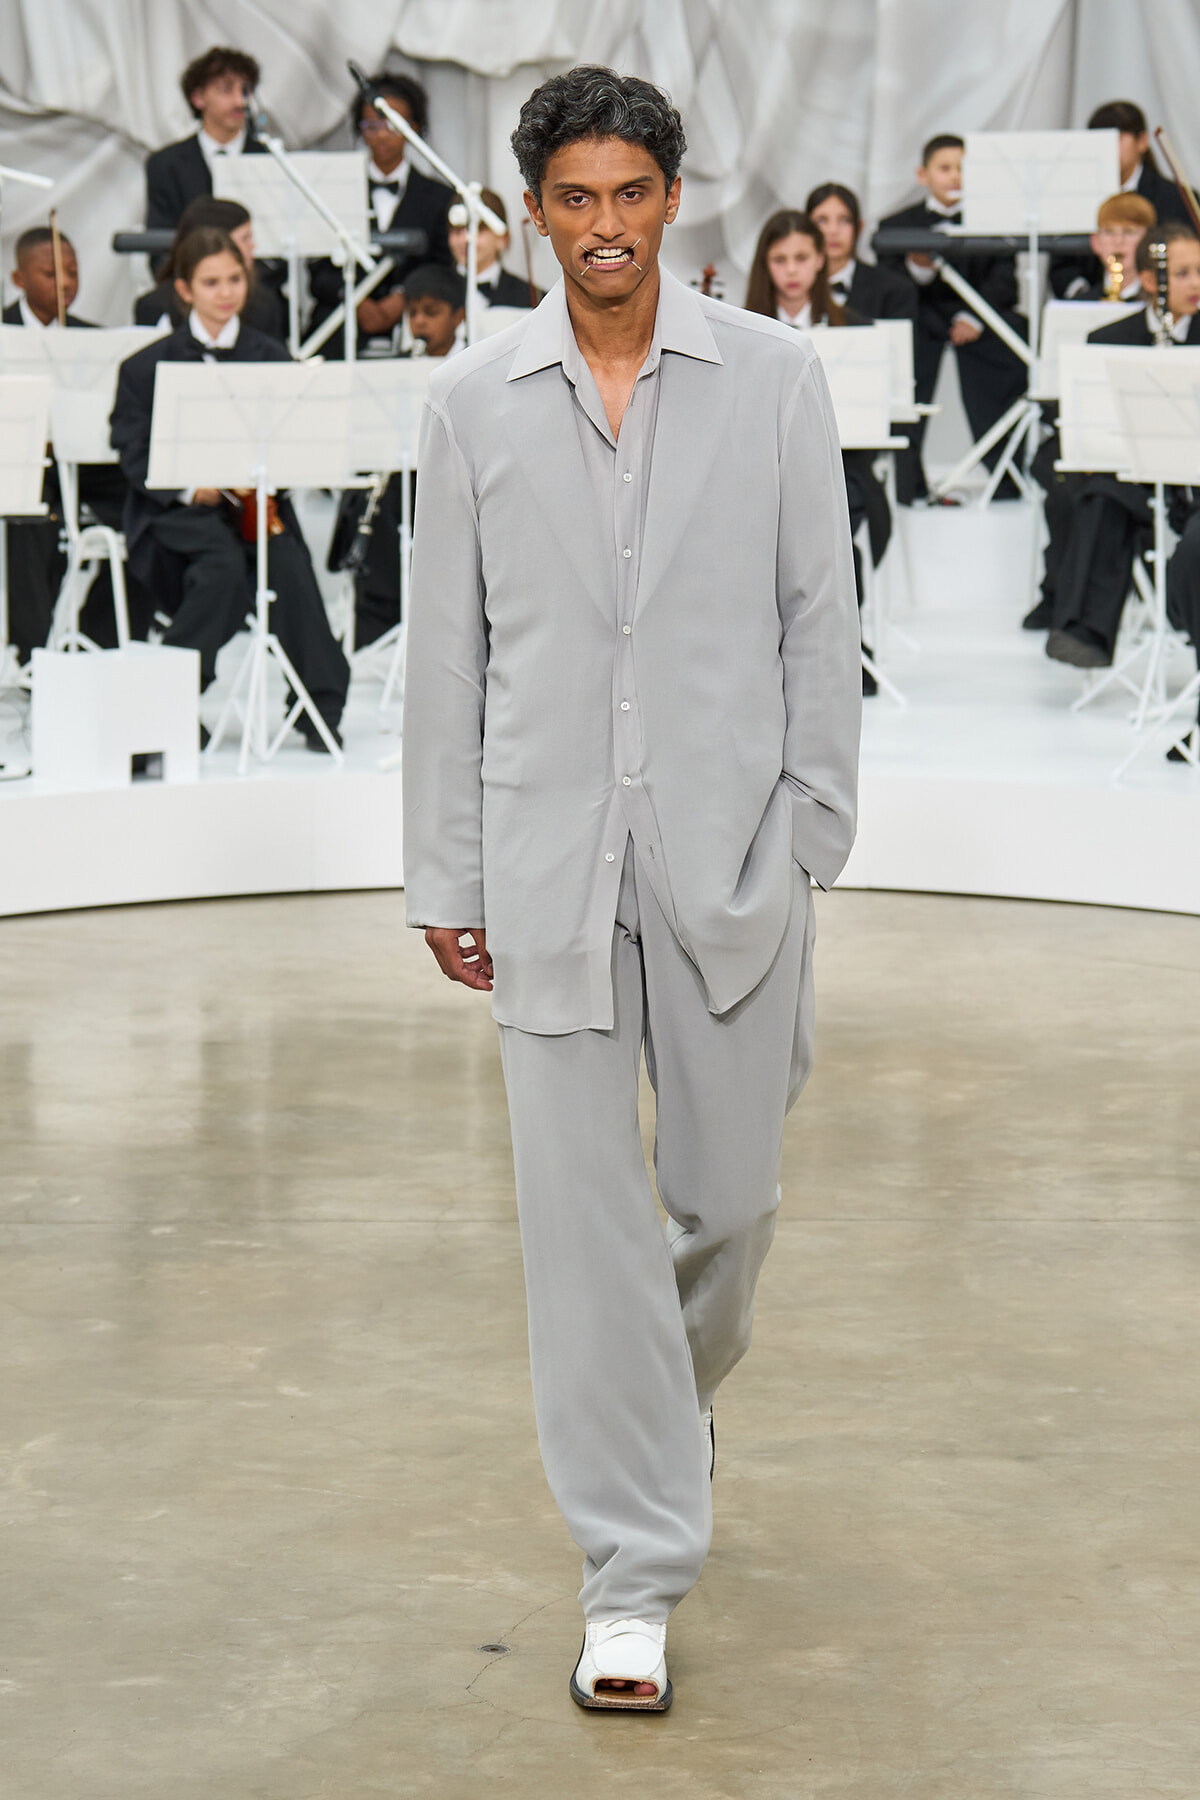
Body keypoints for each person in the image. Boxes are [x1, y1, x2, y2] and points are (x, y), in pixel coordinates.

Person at [402, 64, 860, 1712]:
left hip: (738, 861)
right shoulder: (469, 402)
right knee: (583, 1241)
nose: (605, 228)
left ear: (674, 201)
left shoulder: (776, 379)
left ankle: (656, 1411)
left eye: (631, 195)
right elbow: (444, 657)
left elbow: (823, 615)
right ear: (535, 209)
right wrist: (444, 868)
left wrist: (815, 830)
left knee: (728, 1207)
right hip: (542, 866)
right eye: (574, 199)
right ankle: (634, 1572)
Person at [110, 227, 349, 747]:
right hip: (176, 514)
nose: (226, 292)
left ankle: (318, 708)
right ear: (185, 289)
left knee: (285, 563)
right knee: (221, 571)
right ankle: (167, 704)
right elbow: (132, 452)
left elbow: (295, 439)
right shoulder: (143, 366)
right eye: (211, 281)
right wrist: (192, 486)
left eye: (235, 279)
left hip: (252, 507)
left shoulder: (271, 357)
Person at [1040, 222, 1200, 671]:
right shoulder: (1108, 339)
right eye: (1183, 273)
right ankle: (1083, 631)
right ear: (1150, 280)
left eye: (1199, 272)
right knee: (1100, 496)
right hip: (1139, 478)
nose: (1196, 284)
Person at [744, 209, 890, 694]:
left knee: (835, 523)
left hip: (846, 469)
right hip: (759, 471)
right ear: (765, 265)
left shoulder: (860, 330)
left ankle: (843, 647)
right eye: (780, 258)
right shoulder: (742, 334)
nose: (791, 270)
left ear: (820, 261)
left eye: (802, 257)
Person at [3, 228, 146, 657]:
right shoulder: (6, 332)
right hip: (24, 466)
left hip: (88, 465)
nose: (65, 283)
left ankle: (100, 641)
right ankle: (35, 653)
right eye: (50, 274)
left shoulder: (95, 339)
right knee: (31, 526)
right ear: (19, 279)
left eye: (72, 272)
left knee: (148, 516)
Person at [877, 134, 1026, 501]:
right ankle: (908, 485)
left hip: (979, 322)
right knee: (904, 355)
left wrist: (974, 318)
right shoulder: (896, 224)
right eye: (945, 168)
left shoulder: (995, 219)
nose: (955, 177)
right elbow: (889, 288)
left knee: (1011, 342)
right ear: (923, 174)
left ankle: (1006, 477)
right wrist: (919, 268)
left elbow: (1005, 280)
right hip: (921, 323)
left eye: (963, 168)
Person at [308, 72, 454, 358]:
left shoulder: (440, 197)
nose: (381, 134)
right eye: (371, 125)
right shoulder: (333, 193)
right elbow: (317, 271)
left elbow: (443, 265)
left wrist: (404, 299)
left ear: (414, 127)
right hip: (340, 324)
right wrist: (354, 300)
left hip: (414, 324)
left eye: (392, 124)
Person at [145, 46, 266, 231]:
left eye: (245, 91)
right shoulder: (166, 165)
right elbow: (159, 248)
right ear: (198, 98)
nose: (240, 102)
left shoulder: (268, 159)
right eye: (226, 90)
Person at [134, 196, 286, 340]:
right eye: (245, 238)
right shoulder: (154, 306)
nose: (253, 246)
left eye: (235, 280)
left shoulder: (264, 305)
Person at [805, 183, 916, 321]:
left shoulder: (893, 290)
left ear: (859, 227)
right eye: (822, 221)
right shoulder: (790, 288)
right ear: (806, 228)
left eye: (844, 220)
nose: (833, 231)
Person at [448, 189, 540, 309]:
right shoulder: (433, 291)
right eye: (457, 231)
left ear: (503, 238)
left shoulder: (533, 298)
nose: (464, 240)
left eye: (478, 230)